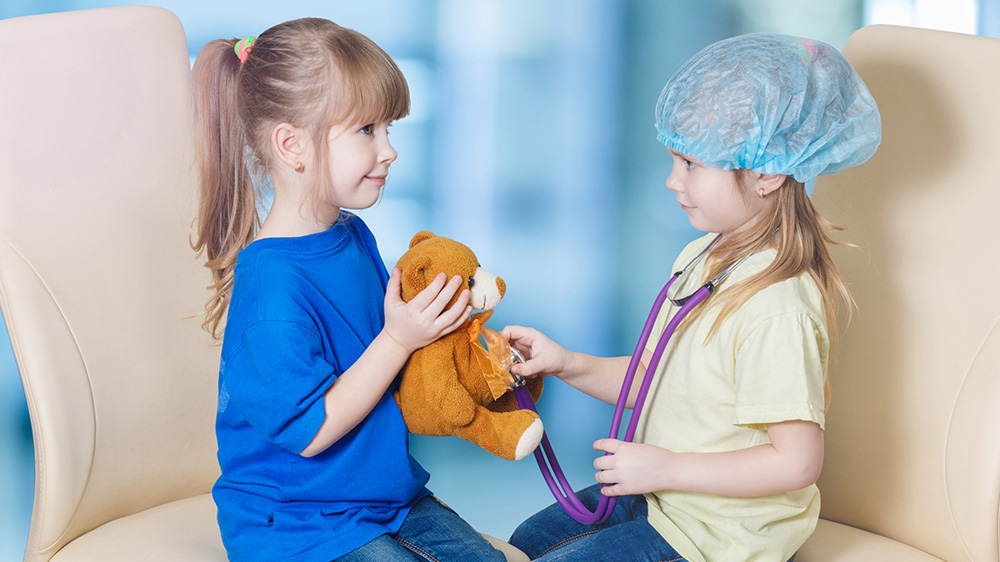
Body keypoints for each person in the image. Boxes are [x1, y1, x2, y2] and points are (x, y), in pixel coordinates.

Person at [502, 33, 881, 562]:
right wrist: (567, 363)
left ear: (767, 171)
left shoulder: (777, 307)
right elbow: (659, 381)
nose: (671, 181)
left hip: (719, 533)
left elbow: (796, 463)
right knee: (525, 546)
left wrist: (665, 467)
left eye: (691, 165)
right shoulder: (703, 256)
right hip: (664, 497)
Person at [191, 18, 508, 562]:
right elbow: (311, 430)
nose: (390, 151)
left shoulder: (351, 234)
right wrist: (398, 339)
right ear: (292, 145)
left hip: (381, 497)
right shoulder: (271, 292)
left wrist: (467, 347)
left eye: (389, 129)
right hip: (293, 523)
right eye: (367, 131)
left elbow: (390, 353)